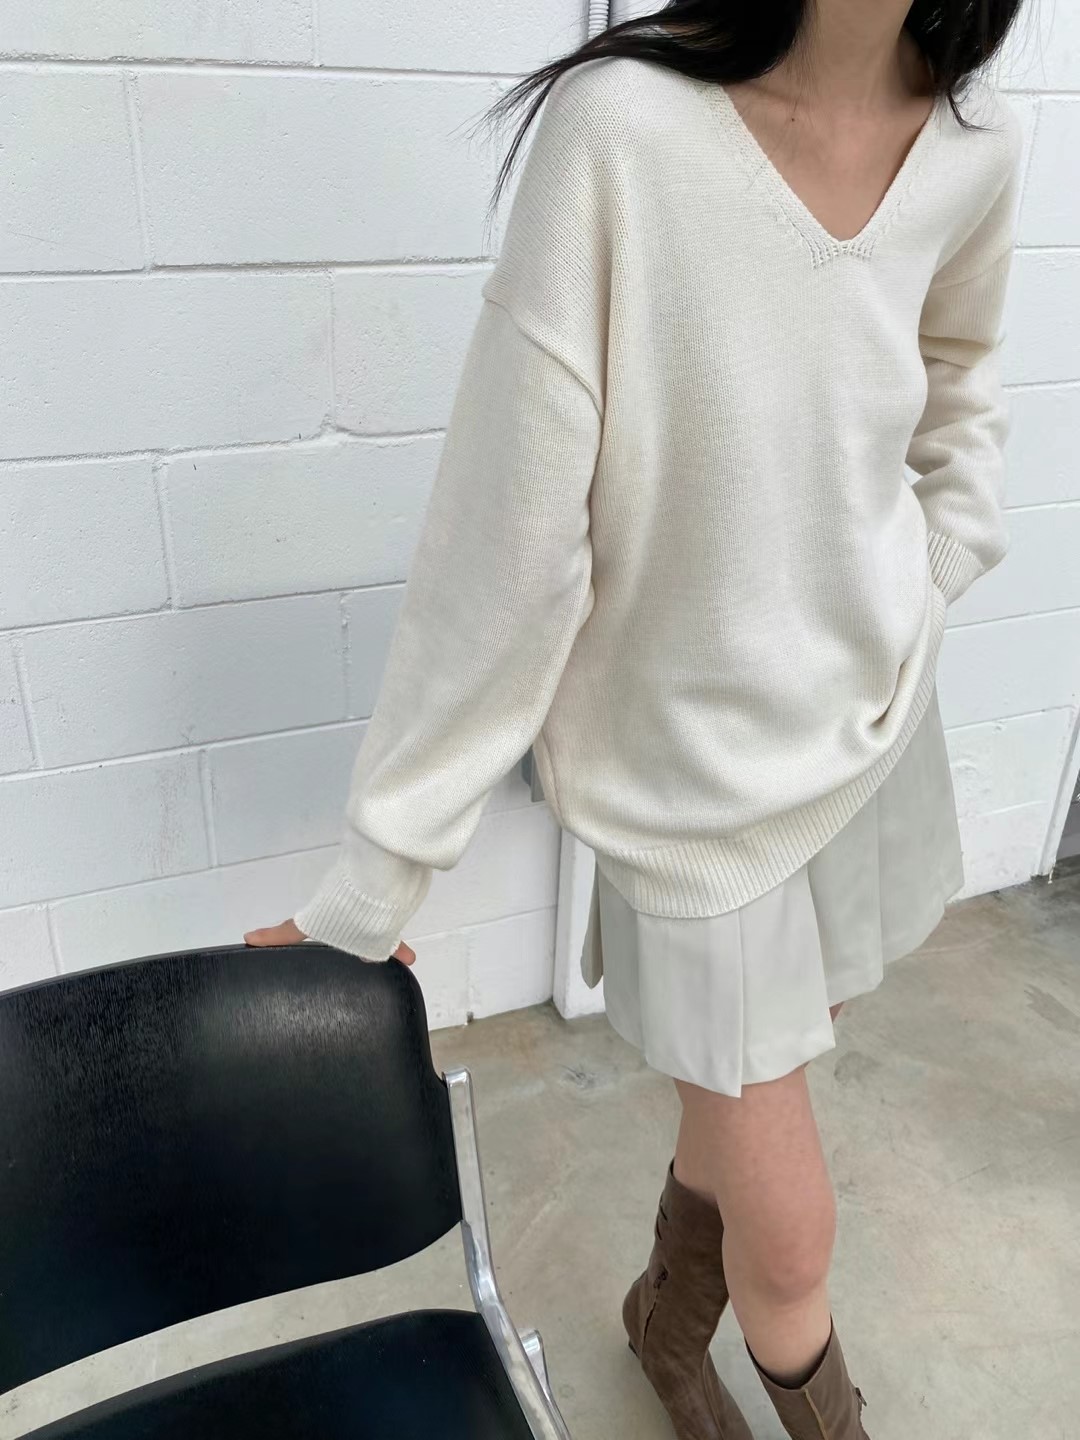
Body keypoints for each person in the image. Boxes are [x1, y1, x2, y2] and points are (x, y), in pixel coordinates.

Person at [247, 1, 1026, 1434]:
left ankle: (663, 1326)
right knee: (793, 1242)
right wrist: (378, 876)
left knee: (747, 1099)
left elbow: (961, 380)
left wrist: (930, 571)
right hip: (690, 795)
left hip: (868, 729)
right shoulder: (622, 131)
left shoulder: (974, 145)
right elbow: (505, 535)